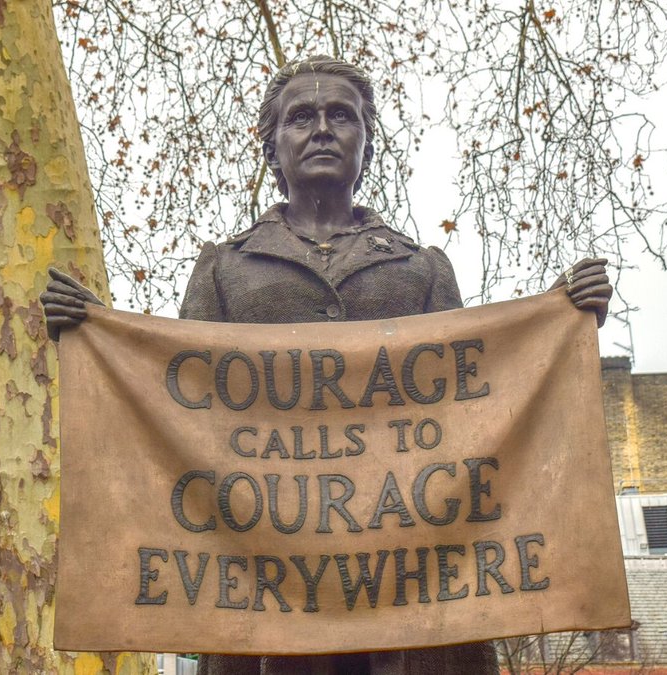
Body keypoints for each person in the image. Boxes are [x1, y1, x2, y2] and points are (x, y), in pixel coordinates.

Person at [42, 55, 612, 675]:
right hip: (265, 600)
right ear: (272, 146)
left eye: (341, 116)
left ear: (366, 142)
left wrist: (556, 323)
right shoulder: (225, 270)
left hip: (415, 603)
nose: (321, 130)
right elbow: (177, 403)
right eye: (301, 118)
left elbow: (476, 403)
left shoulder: (421, 269)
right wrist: (98, 337)